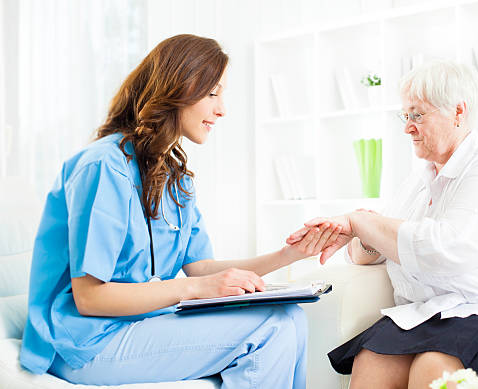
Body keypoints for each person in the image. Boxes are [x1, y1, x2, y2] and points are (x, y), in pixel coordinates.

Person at [20, 34, 341, 388]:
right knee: (271, 327)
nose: (222, 109)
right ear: (179, 88)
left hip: (142, 323)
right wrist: (195, 288)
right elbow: (90, 297)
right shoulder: (103, 167)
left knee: (290, 318)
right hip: (85, 342)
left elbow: (200, 267)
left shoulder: (174, 177)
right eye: (212, 93)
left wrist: (288, 254)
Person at [287, 60, 478, 389]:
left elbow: (446, 250)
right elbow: (372, 250)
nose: (407, 127)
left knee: (433, 365)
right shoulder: (417, 183)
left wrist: (364, 223)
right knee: (373, 358)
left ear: (458, 112)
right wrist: (364, 234)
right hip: (447, 315)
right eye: (405, 116)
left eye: (417, 115)